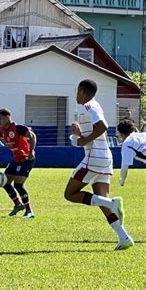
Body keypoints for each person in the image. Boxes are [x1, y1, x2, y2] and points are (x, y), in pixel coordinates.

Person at [65, 79, 133, 250]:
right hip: (104, 158)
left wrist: (83, 140)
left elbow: (102, 126)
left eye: (77, 90)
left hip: (93, 158)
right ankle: (123, 237)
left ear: (83, 92)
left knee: (70, 194)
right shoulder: (94, 106)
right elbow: (97, 128)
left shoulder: (88, 106)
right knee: (101, 201)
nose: (76, 94)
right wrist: (80, 134)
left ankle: (113, 203)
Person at [0, 109, 37, 219]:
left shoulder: (18, 128)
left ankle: (29, 211)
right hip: (16, 159)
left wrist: (30, 152)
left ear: (7, 118)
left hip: (26, 159)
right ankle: (18, 205)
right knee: (5, 182)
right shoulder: (2, 130)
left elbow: (32, 137)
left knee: (18, 185)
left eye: (0, 118)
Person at [117, 119, 146, 186]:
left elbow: (124, 167)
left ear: (121, 134)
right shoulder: (143, 134)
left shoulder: (127, 143)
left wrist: (122, 181)